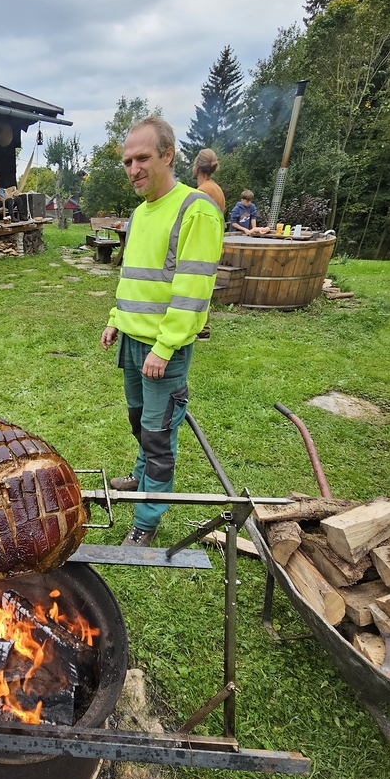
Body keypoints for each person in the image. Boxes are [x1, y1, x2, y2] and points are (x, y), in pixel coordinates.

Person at [100, 117, 224, 547]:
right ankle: (138, 478)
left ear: (168, 156)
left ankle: (147, 521)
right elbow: (134, 278)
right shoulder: (138, 213)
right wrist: (116, 318)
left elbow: (193, 292)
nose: (133, 169)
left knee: (158, 435)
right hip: (132, 343)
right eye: (128, 161)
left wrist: (165, 346)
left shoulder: (196, 211)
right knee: (140, 422)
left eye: (143, 158)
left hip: (161, 351)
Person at [192, 148, 225, 340]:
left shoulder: (203, 191)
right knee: (203, 286)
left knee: (197, 287)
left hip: (202, 245)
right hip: (212, 244)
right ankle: (203, 327)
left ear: (197, 167)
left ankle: (202, 329)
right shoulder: (216, 189)